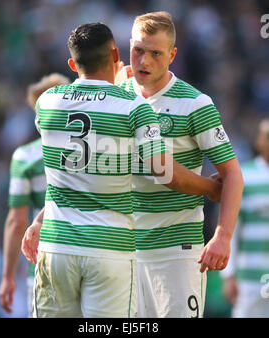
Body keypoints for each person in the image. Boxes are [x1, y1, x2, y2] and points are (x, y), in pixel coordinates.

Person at [21, 22, 222, 318]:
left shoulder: (47, 103)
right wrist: (211, 187)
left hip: (57, 245)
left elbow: (78, 150)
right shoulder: (134, 107)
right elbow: (164, 172)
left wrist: (38, 220)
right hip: (110, 247)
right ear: (116, 55)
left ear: (72, 64)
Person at [117, 11, 244, 317]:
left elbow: (233, 176)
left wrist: (223, 235)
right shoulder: (115, 98)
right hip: (121, 252)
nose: (144, 61)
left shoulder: (195, 104)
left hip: (176, 252)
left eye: (155, 53)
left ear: (172, 55)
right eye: (138, 51)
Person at [0, 73, 70, 316]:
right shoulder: (96, 149)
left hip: (43, 265)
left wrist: (8, 276)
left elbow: (16, 222)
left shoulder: (26, 157)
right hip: (94, 255)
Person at [221, 119, 269, 317]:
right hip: (249, 278)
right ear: (259, 142)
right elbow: (230, 227)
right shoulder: (244, 177)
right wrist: (228, 274)